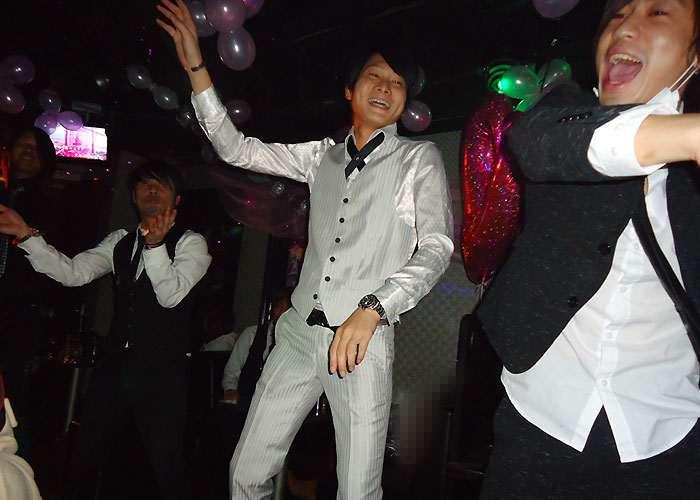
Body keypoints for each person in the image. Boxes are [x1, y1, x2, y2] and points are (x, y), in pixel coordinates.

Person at [157, 1, 454, 497]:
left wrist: (375, 308)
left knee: (357, 492)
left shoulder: (417, 159)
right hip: (297, 334)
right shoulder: (321, 157)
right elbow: (235, 148)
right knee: (245, 473)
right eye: (375, 76)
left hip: (361, 344)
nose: (385, 87)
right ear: (349, 90)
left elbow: (438, 247)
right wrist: (195, 65)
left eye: (397, 83)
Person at [476, 0, 700, 498]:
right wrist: (687, 135)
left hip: (669, 430)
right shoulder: (563, 112)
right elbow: (537, 144)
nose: (625, 27)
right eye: (617, 14)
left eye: (658, 13)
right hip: (542, 416)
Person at [0, 161, 212, 500]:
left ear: (177, 199)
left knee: (166, 463)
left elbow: (171, 296)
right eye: (144, 185)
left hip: (162, 370)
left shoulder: (192, 243)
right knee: (85, 453)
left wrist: (156, 247)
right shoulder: (120, 242)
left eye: (160, 185)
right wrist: (27, 235)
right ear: (133, 197)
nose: (152, 190)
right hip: (116, 366)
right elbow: (73, 273)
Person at [0, 127, 60, 445]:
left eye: (36, 148)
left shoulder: (51, 203)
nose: (27, 150)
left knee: (15, 388)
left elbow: (59, 260)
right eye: (22, 143)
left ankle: (13, 462)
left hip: (21, 310)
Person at [222, 287, 292, 404]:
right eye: (279, 306)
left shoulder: (295, 342)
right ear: (272, 308)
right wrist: (230, 389)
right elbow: (232, 370)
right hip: (245, 400)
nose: (282, 313)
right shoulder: (252, 334)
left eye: (288, 309)